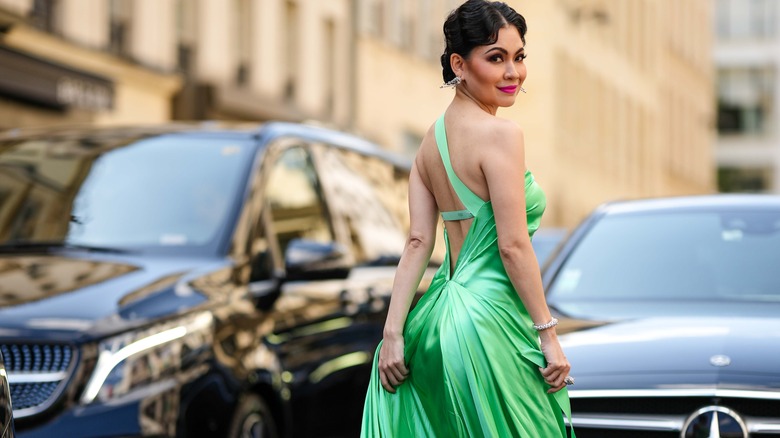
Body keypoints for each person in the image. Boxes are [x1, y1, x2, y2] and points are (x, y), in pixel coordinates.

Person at [360, 1, 574, 437]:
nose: (513, 72)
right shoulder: (502, 136)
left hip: (435, 323)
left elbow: (418, 243)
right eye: (496, 58)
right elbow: (512, 246)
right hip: (490, 325)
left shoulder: (429, 142)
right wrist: (548, 334)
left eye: (519, 57)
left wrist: (394, 333)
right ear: (459, 63)